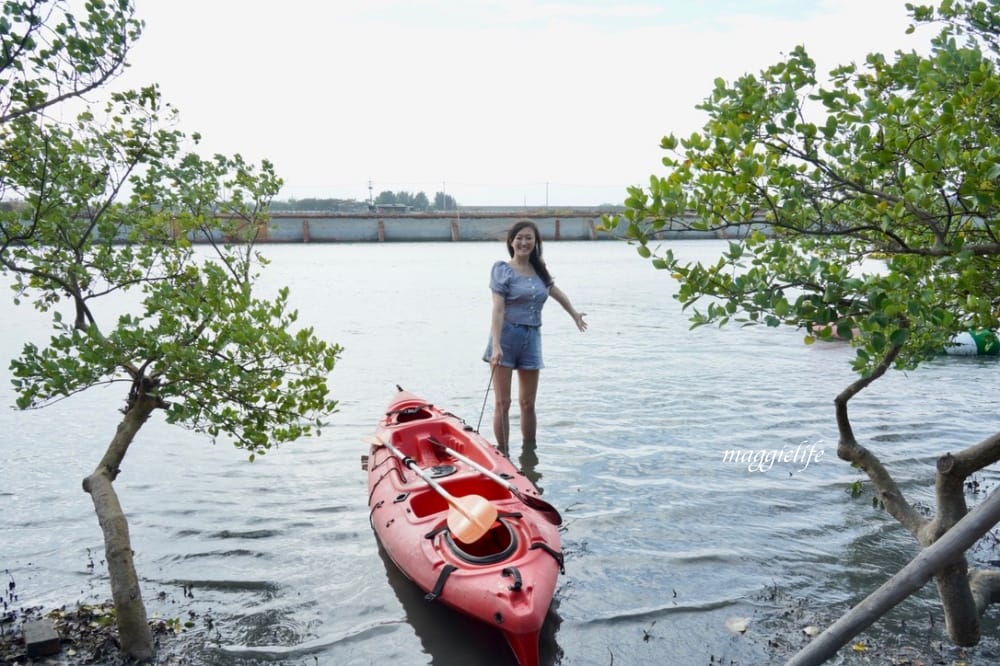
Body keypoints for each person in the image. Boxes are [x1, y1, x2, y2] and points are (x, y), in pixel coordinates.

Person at [482, 219, 587, 453]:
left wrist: (574, 314)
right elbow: (498, 309)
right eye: (519, 238)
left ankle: (529, 455)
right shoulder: (502, 269)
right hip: (506, 338)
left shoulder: (539, 270)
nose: (524, 242)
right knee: (503, 403)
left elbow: (556, 292)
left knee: (528, 404)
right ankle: (504, 452)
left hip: (531, 339)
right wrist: (496, 345)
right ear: (511, 242)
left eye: (529, 238)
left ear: (535, 242)